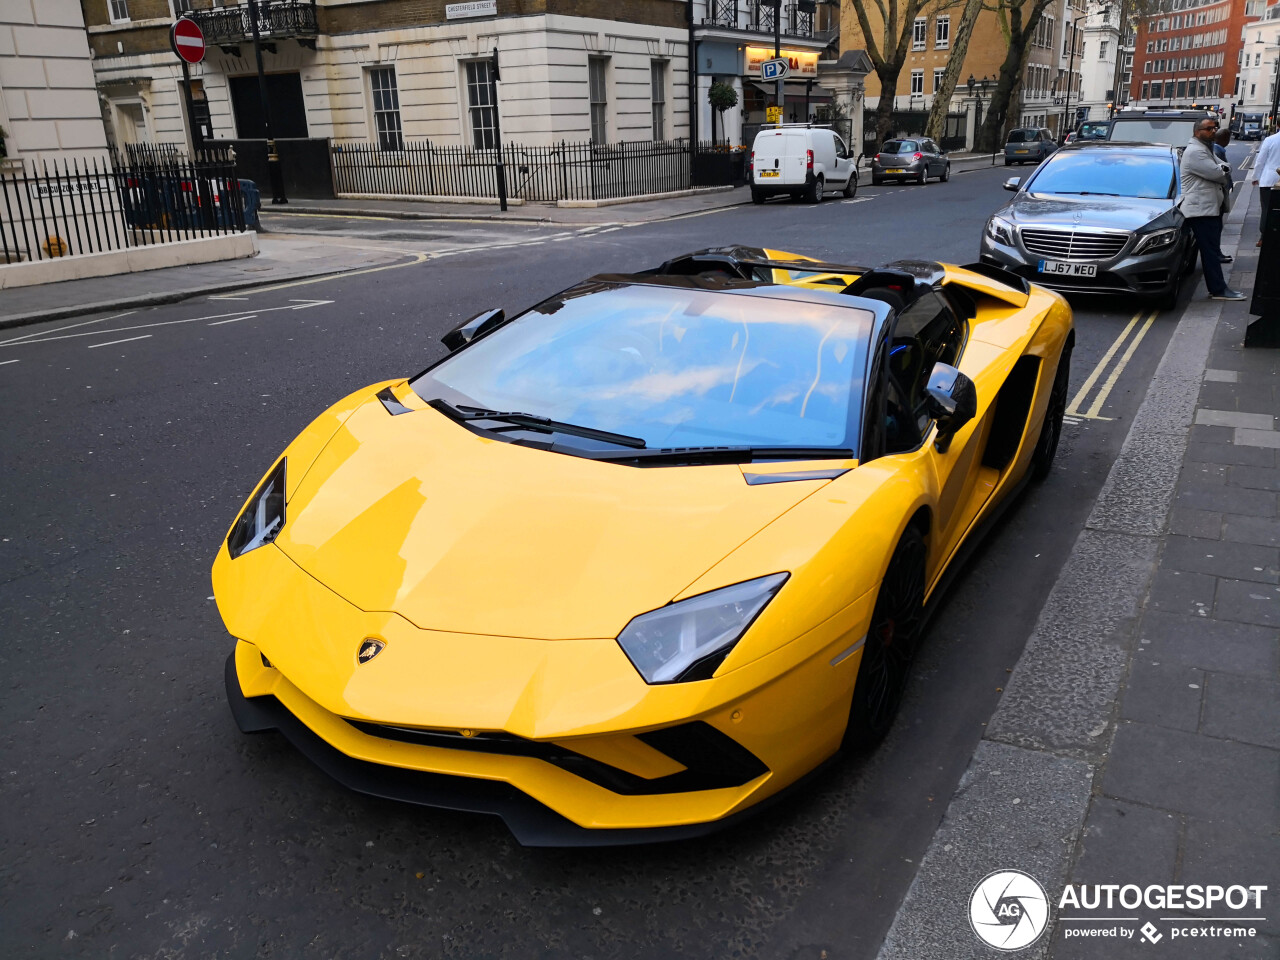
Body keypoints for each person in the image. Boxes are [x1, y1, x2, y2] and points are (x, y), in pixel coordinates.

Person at [1179, 117, 1245, 300]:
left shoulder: (1205, 148)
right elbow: (1219, 174)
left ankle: (1218, 288)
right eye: (1208, 129)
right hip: (1201, 210)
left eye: (1214, 128)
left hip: (1209, 208)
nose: (1213, 131)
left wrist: (1223, 169)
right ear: (1197, 131)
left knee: (1212, 251)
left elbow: (1226, 167)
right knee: (1210, 253)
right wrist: (1223, 170)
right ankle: (1218, 290)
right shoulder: (1195, 152)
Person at [1251, 125, 1280, 247]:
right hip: (1272, 179)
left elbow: (1260, 160)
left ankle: (1264, 238)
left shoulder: (1270, 140)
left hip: (1269, 179)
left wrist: (1255, 177)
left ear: (1278, 125)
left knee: (1267, 209)